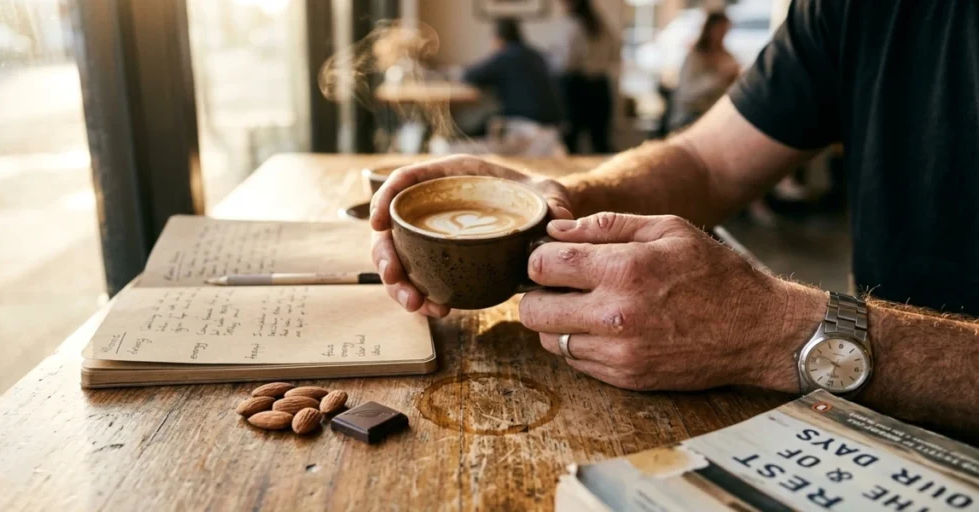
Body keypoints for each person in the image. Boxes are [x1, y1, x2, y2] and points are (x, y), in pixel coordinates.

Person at [368, 0, 979, 438]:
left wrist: (782, 331)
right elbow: (706, 163)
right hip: (867, 431)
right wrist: (553, 202)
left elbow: (773, 325)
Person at [462, 18, 562, 128]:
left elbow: (471, 76)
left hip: (528, 122)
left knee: (478, 125)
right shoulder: (535, 54)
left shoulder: (505, 56)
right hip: (553, 121)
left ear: (499, 39)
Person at [547, 0, 617, 154]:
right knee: (600, 141)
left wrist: (550, 57)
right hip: (601, 85)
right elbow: (615, 54)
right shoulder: (602, 26)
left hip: (577, 87)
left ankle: (571, 177)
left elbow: (567, 62)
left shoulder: (572, 25)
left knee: (570, 140)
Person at [668, 11, 740, 131]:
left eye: (725, 31)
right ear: (709, 30)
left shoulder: (727, 56)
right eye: (720, 30)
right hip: (691, 115)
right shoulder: (695, 57)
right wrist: (718, 78)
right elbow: (687, 92)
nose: (722, 35)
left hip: (716, 116)